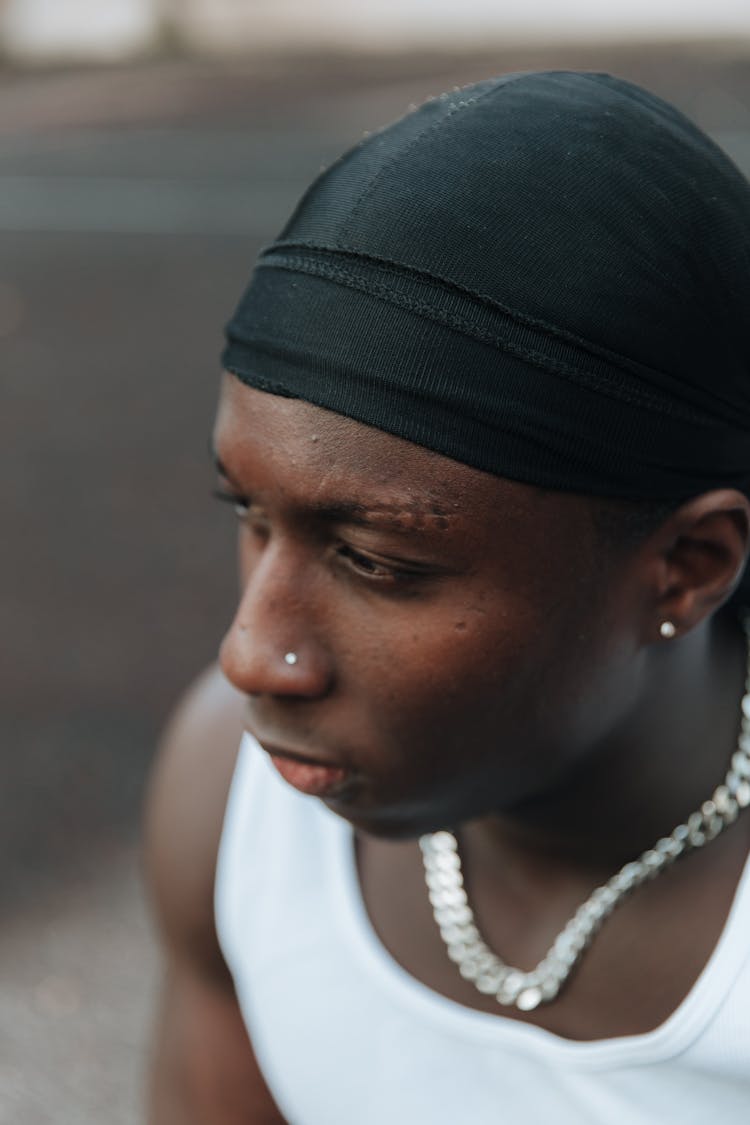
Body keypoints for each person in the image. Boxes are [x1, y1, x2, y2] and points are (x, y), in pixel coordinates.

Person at [144, 71, 750, 1123]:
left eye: (378, 562)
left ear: (688, 566)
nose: (254, 656)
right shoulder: (234, 800)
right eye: (250, 515)